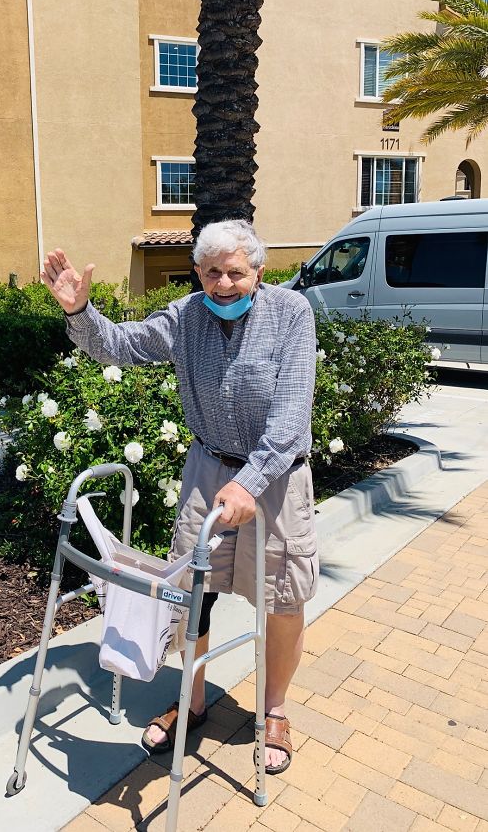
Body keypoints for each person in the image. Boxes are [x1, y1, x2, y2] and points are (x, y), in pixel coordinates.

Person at [40, 219, 318, 775]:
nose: (222, 284)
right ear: (197, 273)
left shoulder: (293, 315)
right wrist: (79, 312)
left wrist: (252, 481)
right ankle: (191, 703)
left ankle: (275, 710)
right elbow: (122, 344)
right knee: (190, 593)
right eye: (211, 272)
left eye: (235, 272)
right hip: (209, 471)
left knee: (283, 596)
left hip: (279, 477)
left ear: (258, 272)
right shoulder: (188, 316)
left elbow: (290, 415)